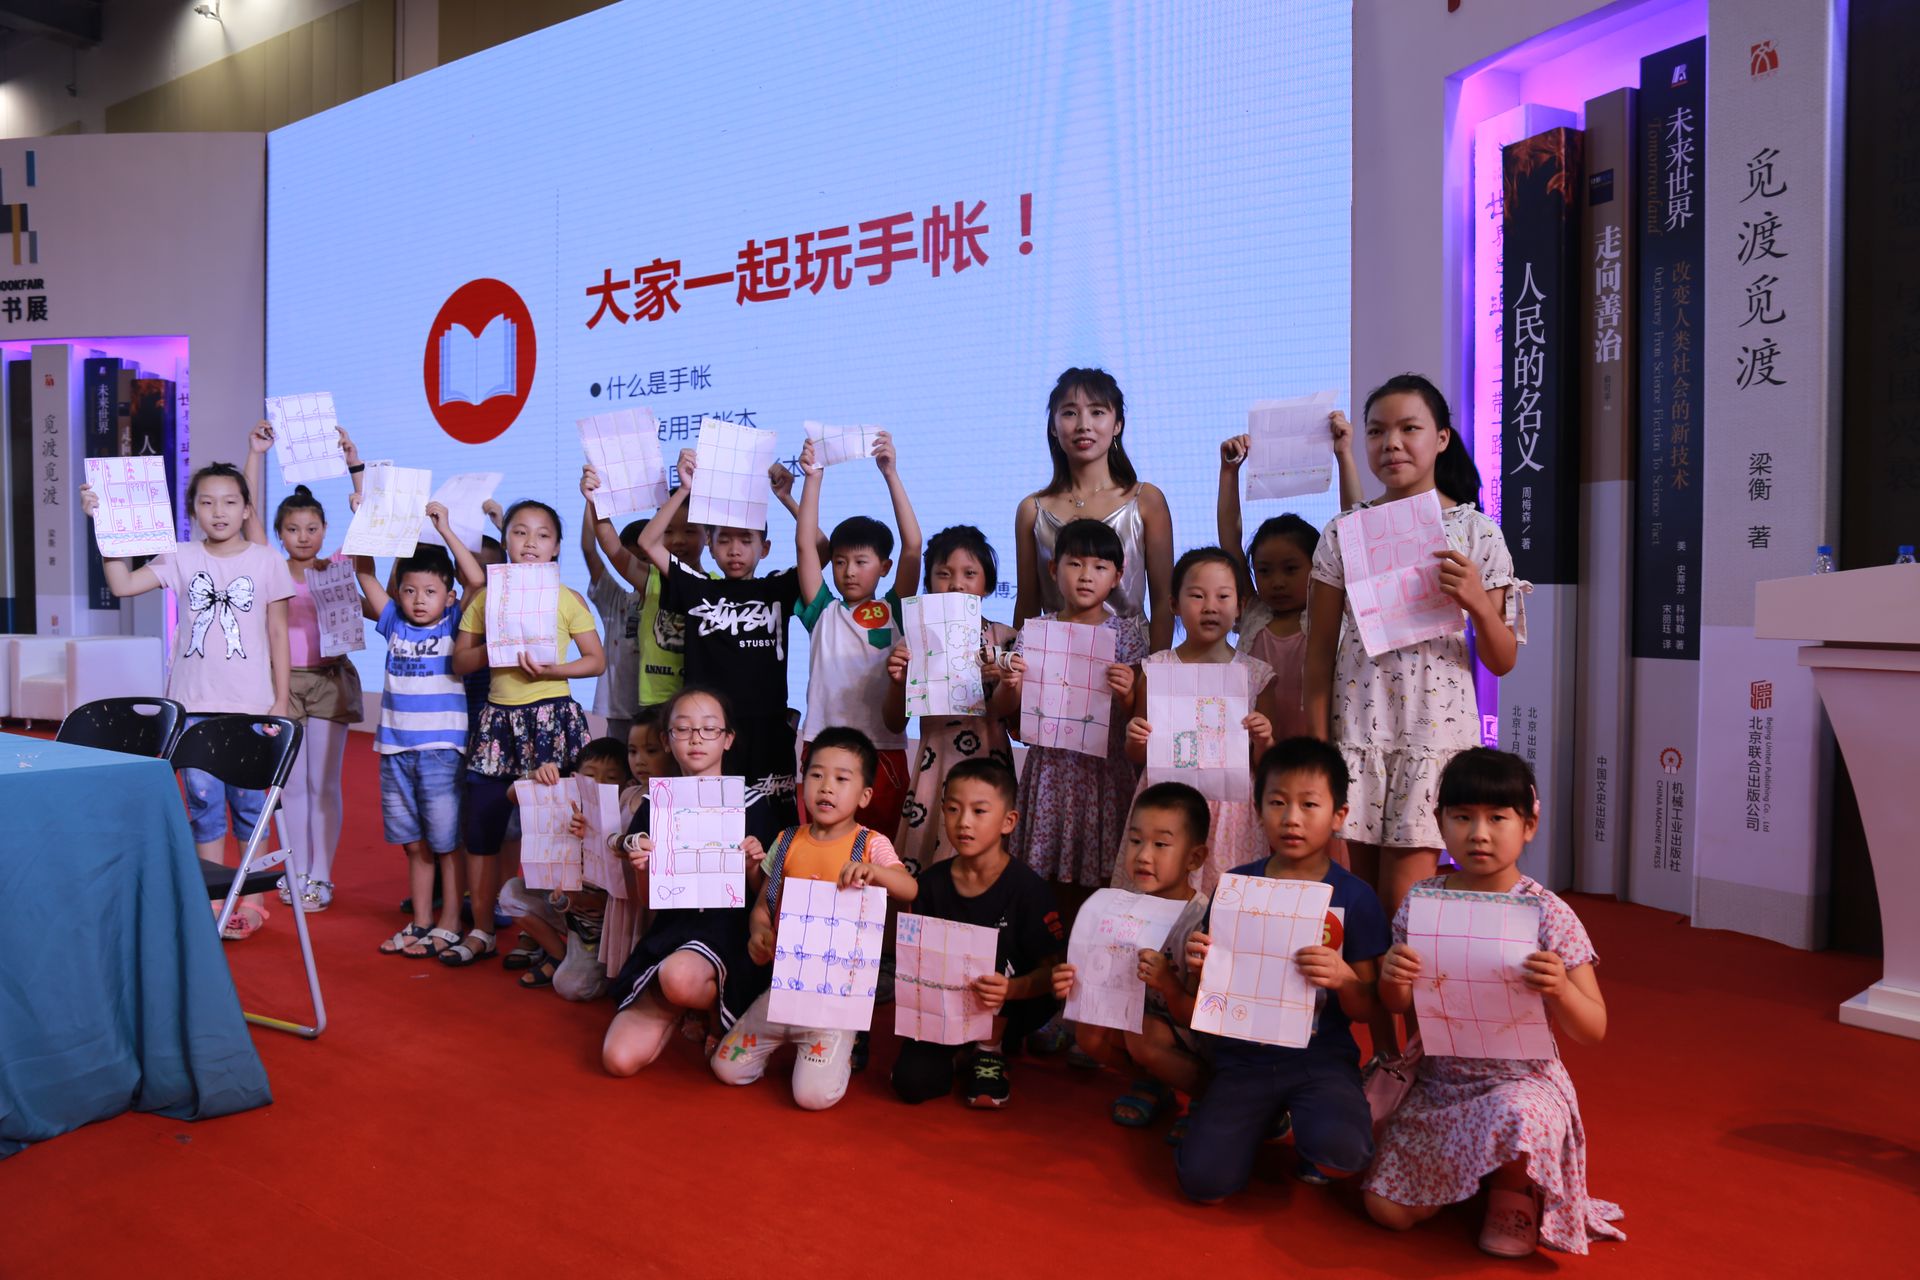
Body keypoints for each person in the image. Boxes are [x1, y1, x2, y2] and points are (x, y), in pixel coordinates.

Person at [1304, 374, 1526, 1052]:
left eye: (1408, 429)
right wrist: (1320, 761)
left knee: (1408, 908)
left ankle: (1429, 1056)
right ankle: (1385, 1059)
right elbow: (1317, 657)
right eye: (1377, 431)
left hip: (1432, 742)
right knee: (1363, 914)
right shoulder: (1344, 532)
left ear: (1442, 439)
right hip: (1358, 739)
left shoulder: (1476, 533)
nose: (1391, 443)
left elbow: (1502, 659)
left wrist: (1477, 602)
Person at [1363, 748, 1623, 1258]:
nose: (1479, 833)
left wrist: (1561, 989)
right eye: (1462, 817)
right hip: (1440, 1082)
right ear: (1440, 821)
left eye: (1497, 818)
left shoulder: (1548, 913)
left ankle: (1513, 1186)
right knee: (1386, 1211)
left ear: (1529, 825)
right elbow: (1396, 1002)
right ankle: (1472, 1173)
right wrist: (1393, 976)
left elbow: (1593, 1028)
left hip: (1520, 1081)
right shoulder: (1423, 901)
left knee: (1519, 1115)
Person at [81, 461, 294, 941]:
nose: (218, 511)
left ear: (246, 508)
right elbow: (122, 585)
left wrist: (281, 699)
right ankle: (213, 900)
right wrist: (103, 525)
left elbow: (279, 633)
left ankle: (253, 900)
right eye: (206, 502)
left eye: (230, 501)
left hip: (252, 706)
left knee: (250, 806)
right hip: (192, 705)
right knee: (202, 804)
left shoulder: (267, 560)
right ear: (193, 509)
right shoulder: (180, 555)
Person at [1176, 738, 1388, 1204]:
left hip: (1321, 1057)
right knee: (1204, 1183)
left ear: (1338, 814)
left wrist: (1344, 978)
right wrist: (1199, 961)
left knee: (1343, 1153)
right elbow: (1203, 993)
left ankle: (1313, 1128)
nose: (1292, 818)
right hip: (1243, 1057)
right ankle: (1263, 1118)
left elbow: (1368, 1008)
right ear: (1258, 811)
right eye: (1277, 803)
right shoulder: (1236, 886)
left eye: (1309, 805)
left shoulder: (1355, 897)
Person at [596, 450, 817, 834]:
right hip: (709, 733)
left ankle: (767, 878)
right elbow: (648, 540)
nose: (735, 549)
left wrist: (787, 498)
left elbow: (820, 549)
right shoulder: (696, 587)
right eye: (724, 540)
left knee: (773, 828)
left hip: (767, 727)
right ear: (709, 545)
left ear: (764, 548)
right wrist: (684, 490)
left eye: (746, 540)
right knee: (707, 826)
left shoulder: (777, 587)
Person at [712, 727, 918, 1110]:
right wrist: (758, 934)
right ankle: (796, 1040)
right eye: (817, 775)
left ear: (865, 795)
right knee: (727, 1068)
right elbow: (764, 906)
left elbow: (909, 889)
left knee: (811, 1096)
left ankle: (844, 1039)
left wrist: (876, 872)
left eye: (841, 779)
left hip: (836, 998)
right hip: (785, 987)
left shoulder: (871, 844)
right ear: (802, 781)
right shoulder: (787, 840)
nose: (826, 787)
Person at [448, 499, 606, 967]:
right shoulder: (485, 598)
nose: (530, 542)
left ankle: (540, 931)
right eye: (519, 532)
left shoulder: (567, 598)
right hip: (497, 722)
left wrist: (553, 670)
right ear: (506, 541)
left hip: (553, 721)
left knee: (554, 833)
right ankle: (482, 929)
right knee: (482, 827)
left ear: (556, 547)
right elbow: (460, 662)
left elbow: (596, 660)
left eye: (542, 534)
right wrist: (496, 650)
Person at [604, 686, 774, 1077]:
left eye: (709, 728)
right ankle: (684, 1004)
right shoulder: (656, 804)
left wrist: (753, 866)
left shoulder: (751, 802)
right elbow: (649, 901)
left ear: (727, 739)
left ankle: (716, 1009)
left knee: (678, 977)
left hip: (730, 933)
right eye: (683, 729)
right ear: (667, 740)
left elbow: (764, 899)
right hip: (673, 931)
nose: (696, 738)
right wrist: (642, 868)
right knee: (618, 1059)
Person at [240, 423, 366, 913]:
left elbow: (369, 520)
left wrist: (354, 465)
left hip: (330, 681)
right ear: (279, 534)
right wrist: (256, 453)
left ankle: (322, 875)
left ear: (325, 530)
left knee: (323, 784)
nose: (303, 537)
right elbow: (248, 513)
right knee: (290, 786)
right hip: (283, 684)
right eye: (293, 529)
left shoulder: (337, 566)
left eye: (312, 528)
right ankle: (295, 873)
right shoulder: (269, 566)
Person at [892, 759, 1064, 1108]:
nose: (964, 822)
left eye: (979, 811)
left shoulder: (1029, 890)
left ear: (1008, 821)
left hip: (1013, 1005)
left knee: (998, 951)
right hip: (947, 1010)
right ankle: (962, 1052)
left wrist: (1012, 989)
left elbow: (1053, 974)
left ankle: (991, 1049)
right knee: (910, 1083)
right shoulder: (930, 884)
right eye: (953, 809)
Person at [1053, 781, 1211, 1137]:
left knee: (1145, 1036)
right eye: (1136, 840)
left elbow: (1198, 1016)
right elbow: (1096, 981)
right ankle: (1154, 1083)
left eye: (1161, 844)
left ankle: (1210, 1099)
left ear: (1194, 858)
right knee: (1088, 1032)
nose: (1143, 855)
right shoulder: (1115, 908)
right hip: (1142, 1023)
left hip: (1195, 1037)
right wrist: (1071, 982)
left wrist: (1167, 983)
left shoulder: (1201, 921)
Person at [1119, 547, 1279, 891]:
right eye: (1197, 595)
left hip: (1231, 810)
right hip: (1167, 802)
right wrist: (1135, 737)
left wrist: (1264, 739)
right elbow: (1138, 755)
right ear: (1174, 604)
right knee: (1161, 893)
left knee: (1224, 895)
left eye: (1223, 596)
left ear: (1240, 606)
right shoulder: (1157, 669)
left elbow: (1264, 764)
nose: (1210, 606)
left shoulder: (1255, 674)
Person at [361, 531, 487, 958]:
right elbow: (364, 572)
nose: (419, 600)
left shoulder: (454, 622)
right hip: (394, 750)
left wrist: (445, 529)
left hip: (440, 750)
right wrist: (369, 519)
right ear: (399, 593)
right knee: (413, 843)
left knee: (445, 842)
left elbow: (476, 580)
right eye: (410, 590)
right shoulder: (393, 621)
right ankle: (421, 920)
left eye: (431, 592)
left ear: (448, 597)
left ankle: (450, 919)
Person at [1005, 517, 1144, 906]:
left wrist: (1127, 693)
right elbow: (1015, 713)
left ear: (1118, 576)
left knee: (1104, 879)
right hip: (1051, 770)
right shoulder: (1036, 631)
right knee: (1043, 881)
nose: (1086, 576)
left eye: (1099, 566)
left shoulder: (1127, 634)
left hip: (1105, 772)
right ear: (1054, 568)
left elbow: (1136, 715)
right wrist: (1012, 684)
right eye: (1075, 563)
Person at [793, 430, 922, 833]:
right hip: (823, 749)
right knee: (820, 848)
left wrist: (890, 474)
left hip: (882, 752)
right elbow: (804, 545)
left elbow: (913, 546)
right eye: (840, 562)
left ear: (884, 567)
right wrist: (813, 478)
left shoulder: (895, 610)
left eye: (861, 562)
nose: (849, 571)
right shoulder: (823, 611)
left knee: (878, 855)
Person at [1216, 409, 1364, 740]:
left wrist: (1344, 455)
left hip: (1316, 752)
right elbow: (1230, 543)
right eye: (1264, 571)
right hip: (1257, 754)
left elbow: (1353, 526)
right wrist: (1228, 473)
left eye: (1291, 569)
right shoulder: (1252, 612)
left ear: (1318, 565)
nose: (1277, 582)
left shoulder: (1329, 616)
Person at [882, 525, 1021, 875]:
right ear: (929, 584)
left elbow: (1011, 717)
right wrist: (897, 682)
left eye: (969, 574)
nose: (957, 584)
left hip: (990, 764)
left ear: (987, 584)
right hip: (935, 768)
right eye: (944, 574)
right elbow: (894, 722)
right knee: (929, 868)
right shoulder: (914, 641)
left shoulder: (1006, 638)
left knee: (988, 868)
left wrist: (1006, 682)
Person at [1014, 367, 1175, 653]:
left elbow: (1164, 601)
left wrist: (1151, 671)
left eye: (1097, 412)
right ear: (1053, 426)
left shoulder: (1146, 500)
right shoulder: (1032, 510)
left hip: (1130, 660)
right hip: (1054, 661)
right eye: (1069, 413)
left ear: (1118, 424)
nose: (1083, 425)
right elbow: (1027, 603)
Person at [499, 736, 632, 996]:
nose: (598, 785)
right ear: (574, 778)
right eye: (590, 777)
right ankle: (558, 955)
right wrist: (536, 776)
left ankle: (601, 968)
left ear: (626, 785)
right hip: (565, 909)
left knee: (570, 987)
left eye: (610, 779)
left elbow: (613, 900)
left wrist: (573, 898)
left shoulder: (624, 823)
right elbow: (512, 795)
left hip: (597, 927)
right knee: (510, 893)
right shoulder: (564, 804)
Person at [581, 503, 643, 745]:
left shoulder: (672, 596)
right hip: (619, 706)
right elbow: (589, 549)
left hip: (659, 705)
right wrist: (591, 502)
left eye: (646, 558)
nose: (640, 567)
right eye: (632, 559)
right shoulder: (616, 599)